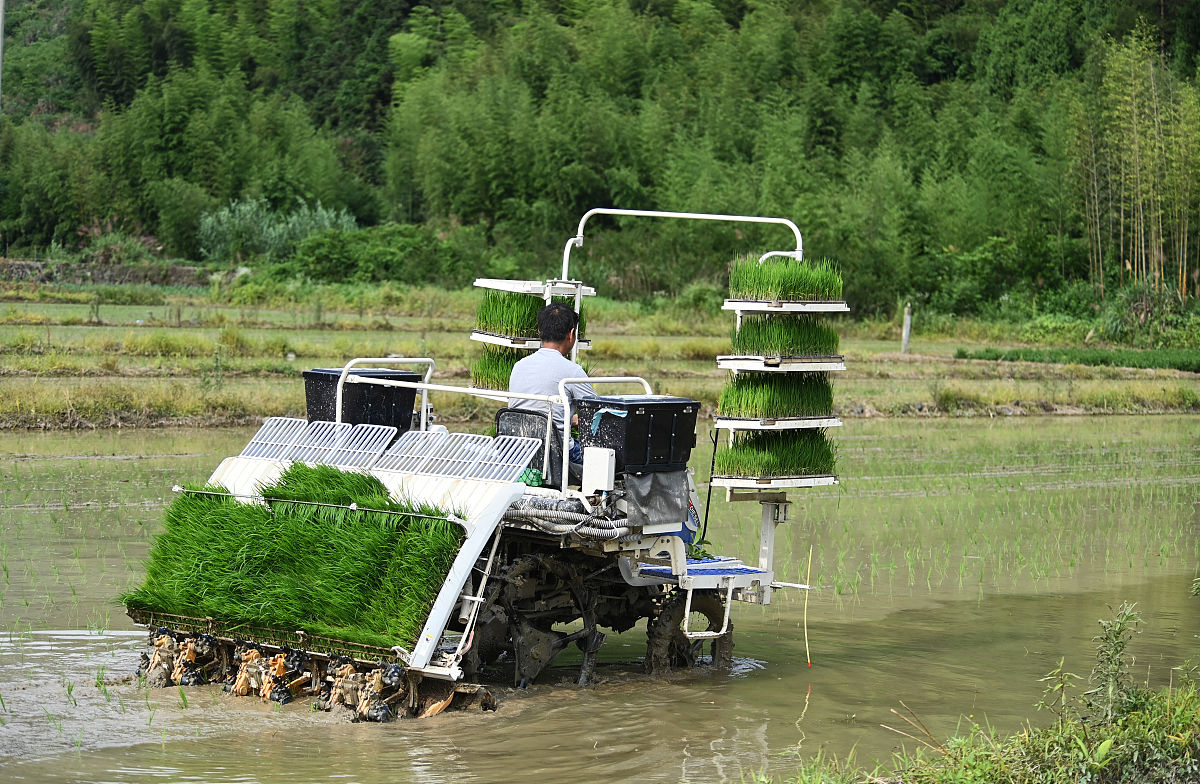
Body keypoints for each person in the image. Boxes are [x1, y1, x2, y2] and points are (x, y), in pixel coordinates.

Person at [508, 302, 594, 464]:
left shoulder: (519, 366)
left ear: (540, 331)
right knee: (609, 461)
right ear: (571, 334)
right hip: (555, 454)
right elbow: (596, 416)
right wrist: (576, 420)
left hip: (518, 449)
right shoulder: (573, 372)